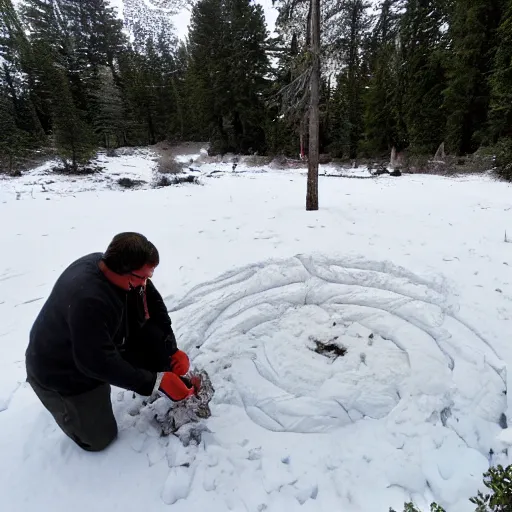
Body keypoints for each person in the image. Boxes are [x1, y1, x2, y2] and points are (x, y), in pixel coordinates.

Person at [25, 232, 194, 452]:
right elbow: (97, 362)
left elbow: (153, 304)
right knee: (100, 439)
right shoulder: (88, 301)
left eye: (148, 277)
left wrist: (172, 349)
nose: (145, 283)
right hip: (64, 370)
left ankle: (156, 370)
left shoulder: (119, 268)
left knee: (154, 341)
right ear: (122, 270)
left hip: (96, 342)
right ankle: (62, 405)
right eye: (141, 278)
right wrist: (155, 382)